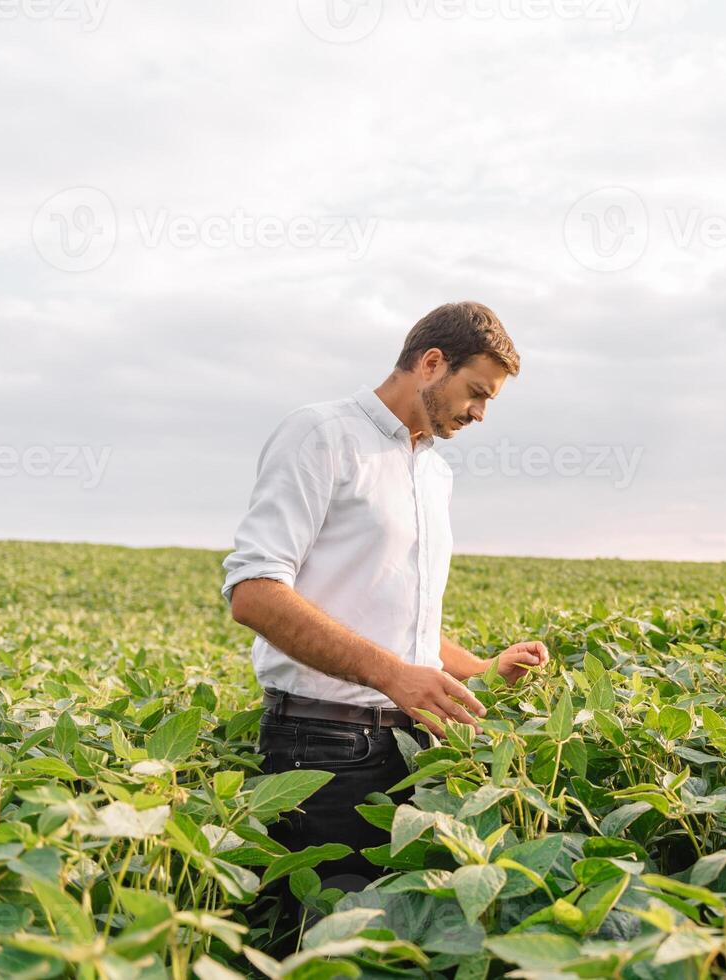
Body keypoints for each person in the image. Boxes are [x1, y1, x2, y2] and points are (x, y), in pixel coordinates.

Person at [221, 300, 549, 902]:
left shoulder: (434, 471)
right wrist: (393, 675)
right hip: (323, 749)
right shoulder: (322, 435)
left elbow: (393, 612)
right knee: (326, 941)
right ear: (430, 363)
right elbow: (254, 594)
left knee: (395, 944)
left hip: (412, 749)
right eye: (475, 393)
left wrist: (480, 669)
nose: (479, 413)